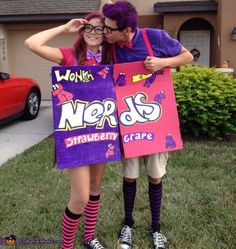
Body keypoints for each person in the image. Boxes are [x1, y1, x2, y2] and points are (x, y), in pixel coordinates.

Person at [102, 1, 193, 249]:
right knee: (129, 176)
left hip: (156, 122)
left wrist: (163, 63)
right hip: (127, 123)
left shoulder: (155, 37)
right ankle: (128, 224)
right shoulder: (109, 47)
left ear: (128, 30)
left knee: (154, 176)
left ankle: (156, 228)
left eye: (110, 29)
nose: (105, 32)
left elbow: (186, 56)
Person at [25, 12, 112, 249]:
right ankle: (66, 245)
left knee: (95, 189)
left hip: (102, 134)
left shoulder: (113, 58)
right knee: (80, 197)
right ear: (81, 32)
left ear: (106, 33)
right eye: (88, 28)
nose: (93, 33)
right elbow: (31, 43)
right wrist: (65, 28)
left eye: (99, 28)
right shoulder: (70, 56)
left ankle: (89, 237)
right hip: (75, 137)